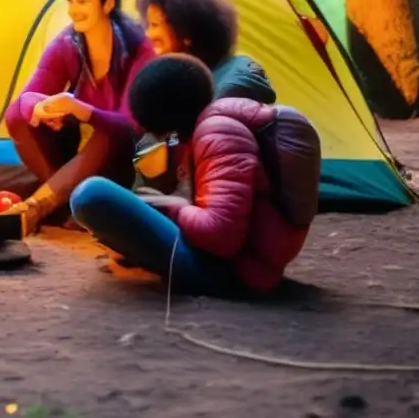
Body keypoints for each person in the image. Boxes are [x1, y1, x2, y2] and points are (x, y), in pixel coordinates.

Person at [69, 54, 315, 297]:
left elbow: (221, 236)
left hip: (234, 275)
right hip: (248, 265)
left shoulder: (218, 133)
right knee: (131, 206)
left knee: (90, 195)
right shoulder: (217, 123)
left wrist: (169, 208)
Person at [4, 0, 157, 234]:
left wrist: (82, 110)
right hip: (77, 153)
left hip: (126, 157)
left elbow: (131, 126)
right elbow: (28, 96)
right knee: (17, 114)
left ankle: (36, 207)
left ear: (108, 4)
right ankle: (65, 204)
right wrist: (42, 107)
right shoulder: (69, 43)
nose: (74, 9)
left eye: (83, 1)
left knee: (106, 133)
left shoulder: (138, 48)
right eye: (70, 1)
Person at [135, 0, 276, 103]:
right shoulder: (193, 78)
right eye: (148, 25)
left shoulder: (227, 94)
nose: (149, 35)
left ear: (186, 30)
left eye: (155, 25)